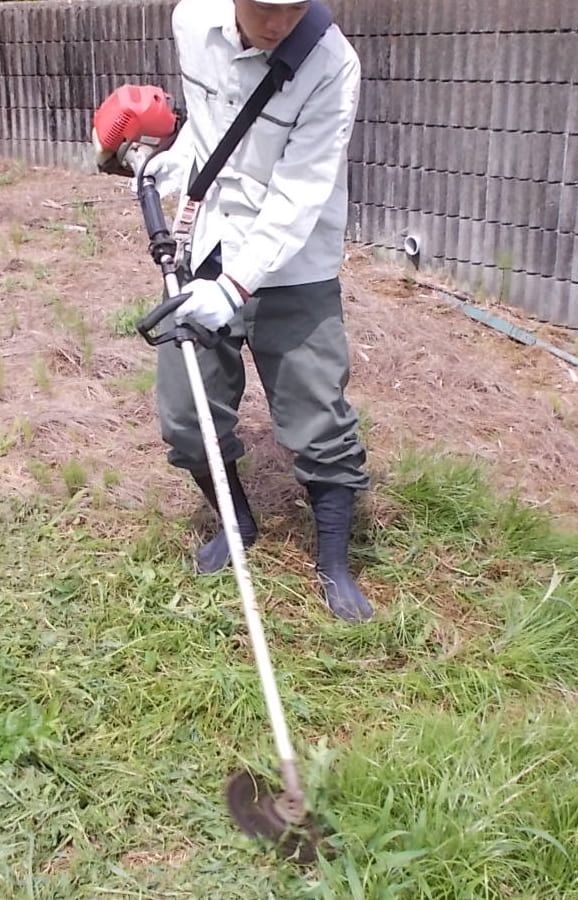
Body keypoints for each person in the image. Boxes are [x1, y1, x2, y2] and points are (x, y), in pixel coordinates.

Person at [143, 0, 372, 623]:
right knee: (186, 417)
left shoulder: (331, 64)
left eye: (293, 7)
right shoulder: (191, 21)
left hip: (295, 263)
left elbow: (300, 193)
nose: (278, 24)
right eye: (265, 7)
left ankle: (334, 564)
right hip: (206, 243)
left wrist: (237, 285)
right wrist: (168, 164)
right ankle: (237, 521)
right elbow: (213, 125)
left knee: (320, 421)